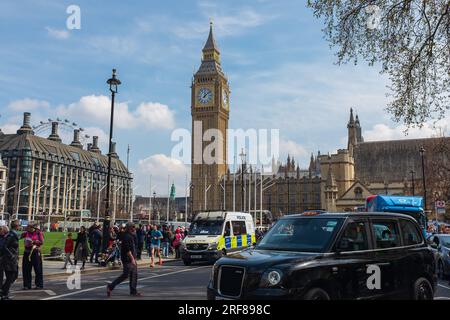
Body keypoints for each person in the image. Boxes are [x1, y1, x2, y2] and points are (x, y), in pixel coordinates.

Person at [106, 222, 141, 297]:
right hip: (127, 258)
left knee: (134, 274)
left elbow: (134, 246)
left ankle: (133, 291)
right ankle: (110, 286)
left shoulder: (131, 235)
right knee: (126, 274)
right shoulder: (127, 236)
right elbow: (127, 249)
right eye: (133, 227)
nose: (135, 228)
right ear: (130, 228)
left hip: (132, 258)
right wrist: (132, 259)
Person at [21, 222, 44, 290]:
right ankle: (27, 285)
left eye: (28, 227)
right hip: (27, 252)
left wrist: (33, 242)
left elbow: (42, 242)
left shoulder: (38, 233)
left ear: (32, 228)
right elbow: (19, 236)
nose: (27, 228)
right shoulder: (26, 233)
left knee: (38, 269)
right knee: (26, 269)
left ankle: (39, 284)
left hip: (35, 252)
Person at [0, 220, 20, 300]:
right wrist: (11, 255)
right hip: (9, 260)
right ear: (17, 226)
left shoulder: (13, 234)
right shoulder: (11, 235)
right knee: (11, 276)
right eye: (19, 225)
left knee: (12, 276)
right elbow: (4, 246)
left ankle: (4, 292)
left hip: (12, 258)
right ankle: (4, 293)